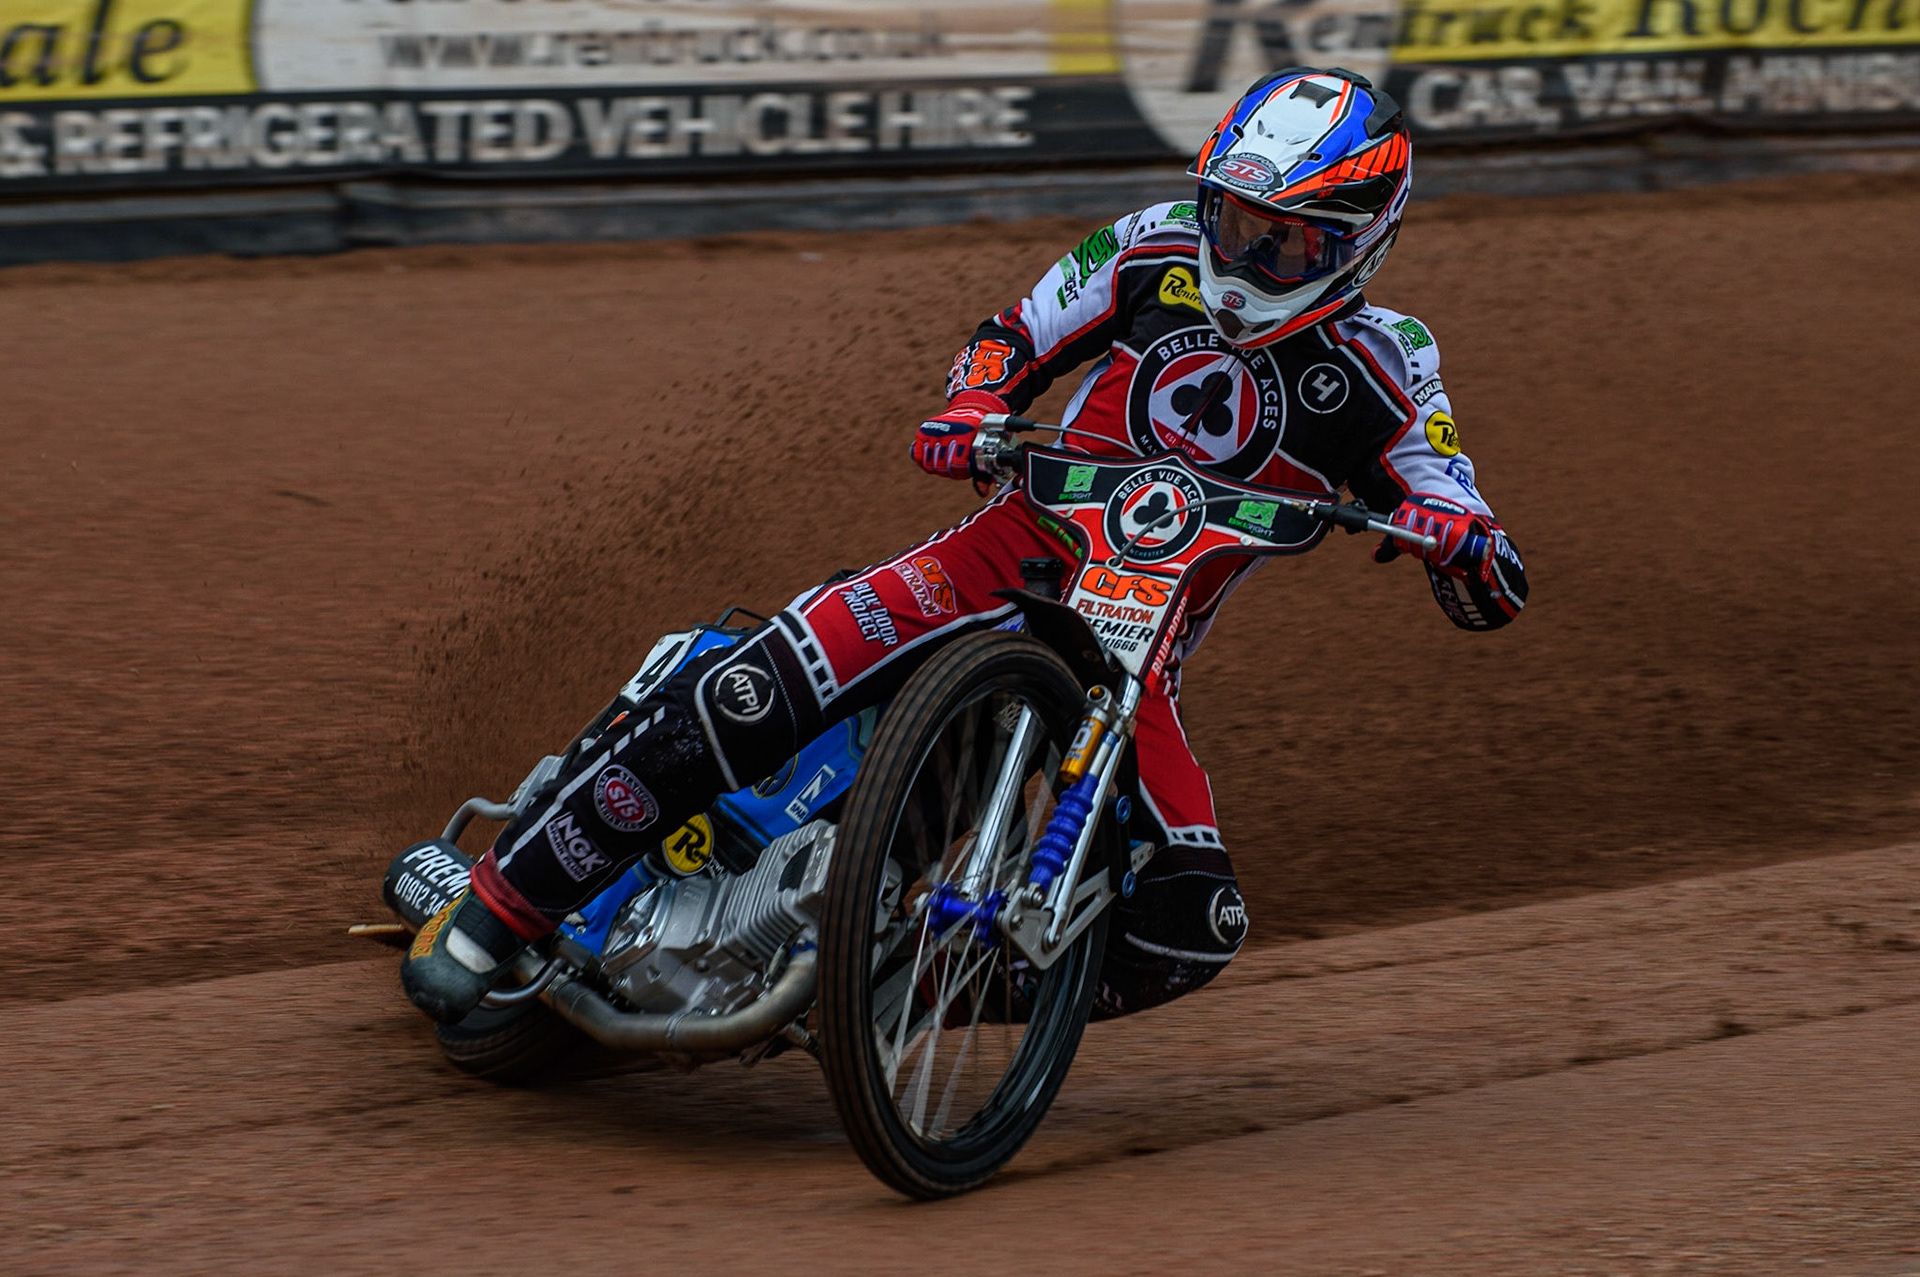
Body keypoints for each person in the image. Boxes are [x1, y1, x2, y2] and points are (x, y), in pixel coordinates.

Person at [401, 66, 1528, 1026]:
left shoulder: (1391, 359)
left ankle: (895, 993)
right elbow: (1016, 333)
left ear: (1358, 240)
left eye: (1284, 239)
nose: (1247, 250)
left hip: (1138, 658)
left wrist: (1463, 542)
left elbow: (1454, 502)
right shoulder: (1148, 246)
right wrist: (971, 404)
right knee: (758, 688)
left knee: (1196, 922)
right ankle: (502, 908)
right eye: (1236, 219)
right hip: (997, 550)